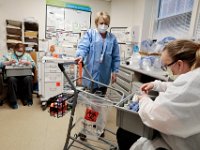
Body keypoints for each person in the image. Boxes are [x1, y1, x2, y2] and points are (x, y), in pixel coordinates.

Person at [121, 39, 200, 150]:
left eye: (166, 66)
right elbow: (178, 87)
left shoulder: (191, 83)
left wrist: (143, 99)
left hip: (182, 144)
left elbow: (154, 115)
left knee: (124, 134)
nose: (166, 70)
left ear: (179, 64)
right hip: (183, 136)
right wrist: (156, 85)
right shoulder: (194, 76)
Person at [75, 11, 120, 94]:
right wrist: (80, 55)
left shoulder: (112, 38)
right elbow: (83, 47)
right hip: (90, 75)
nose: (103, 25)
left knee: (100, 101)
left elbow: (116, 57)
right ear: (96, 23)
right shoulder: (90, 34)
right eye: (101, 23)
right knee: (89, 101)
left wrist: (115, 72)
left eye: (106, 23)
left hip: (104, 76)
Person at [1, 43, 35, 109]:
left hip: (25, 75)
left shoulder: (27, 55)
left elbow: (34, 64)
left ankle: (28, 99)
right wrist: (8, 62)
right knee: (11, 80)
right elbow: (0, 64)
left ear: (24, 51)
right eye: (18, 51)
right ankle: (13, 102)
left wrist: (27, 62)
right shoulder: (9, 55)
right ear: (15, 49)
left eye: (21, 51)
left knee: (28, 78)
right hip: (13, 75)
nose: (19, 53)